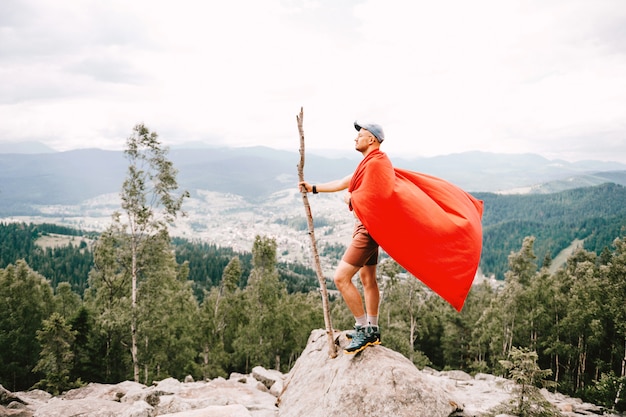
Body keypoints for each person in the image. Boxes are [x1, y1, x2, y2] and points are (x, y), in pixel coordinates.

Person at [299, 121, 386, 354]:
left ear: (372, 140)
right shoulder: (368, 164)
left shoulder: (376, 164)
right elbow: (342, 183)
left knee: (340, 278)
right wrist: (313, 188)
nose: (356, 138)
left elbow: (378, 196)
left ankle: (363, 328)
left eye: (361, 135)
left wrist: (351, 200)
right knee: (368, 279)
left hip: (367, 231)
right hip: (368, 228)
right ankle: (373, 329)